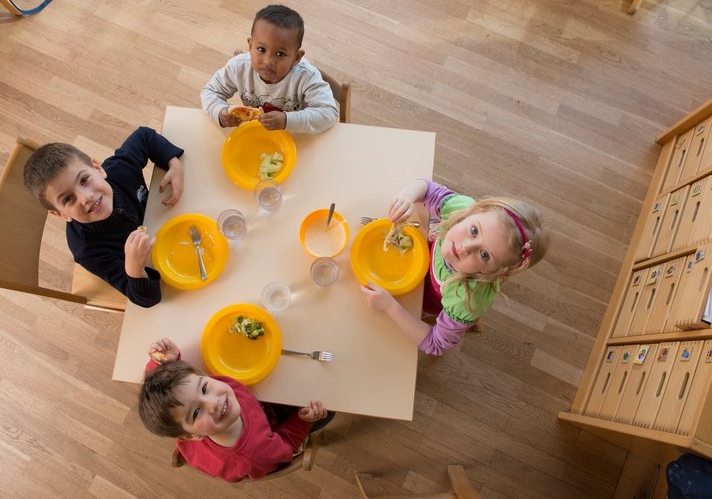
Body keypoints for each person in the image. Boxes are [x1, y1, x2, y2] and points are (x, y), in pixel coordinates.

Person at [361, 179, 549, 355]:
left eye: (484, 255)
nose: (464, 247)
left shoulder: (466, 299)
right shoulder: (462, 209)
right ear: (475, 212)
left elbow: (436, 345)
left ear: (493, 272)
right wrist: (407, 198)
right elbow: (426, 187)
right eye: (474, 231)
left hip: (423, 301)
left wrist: (389, 306)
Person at [22, 127, 184, 308]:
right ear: (60, 214)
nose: (86, 197)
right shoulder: (88, 250)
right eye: (68, 199)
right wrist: (134, 269)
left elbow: (144, 136)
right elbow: (147, 299)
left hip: (169, 223)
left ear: (98, 169)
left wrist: (173, 163)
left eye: (84, 180)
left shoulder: (120, 170)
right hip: (158, 260)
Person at [138, 338, 332, 482]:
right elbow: (287, 446)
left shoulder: (190, 408)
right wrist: (302, 421)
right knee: (328, 413)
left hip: (258, 408)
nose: (213, 403)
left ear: (202, 375)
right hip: (270, 429)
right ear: (190, 437)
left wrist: (164, 362)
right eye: (196, 413)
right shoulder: (257, 453)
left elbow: (164, 389)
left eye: (204, 388)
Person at [200, 4, 339, 134]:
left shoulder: (306, 77)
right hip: (256, 134)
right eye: (261, 49)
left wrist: (286, 120)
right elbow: (210, 91)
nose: (268, 61)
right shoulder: (239, 67)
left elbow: (329, 113)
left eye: (280, 54)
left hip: (295, 132)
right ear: (250, 45)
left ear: (296, 58)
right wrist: (220, 112)